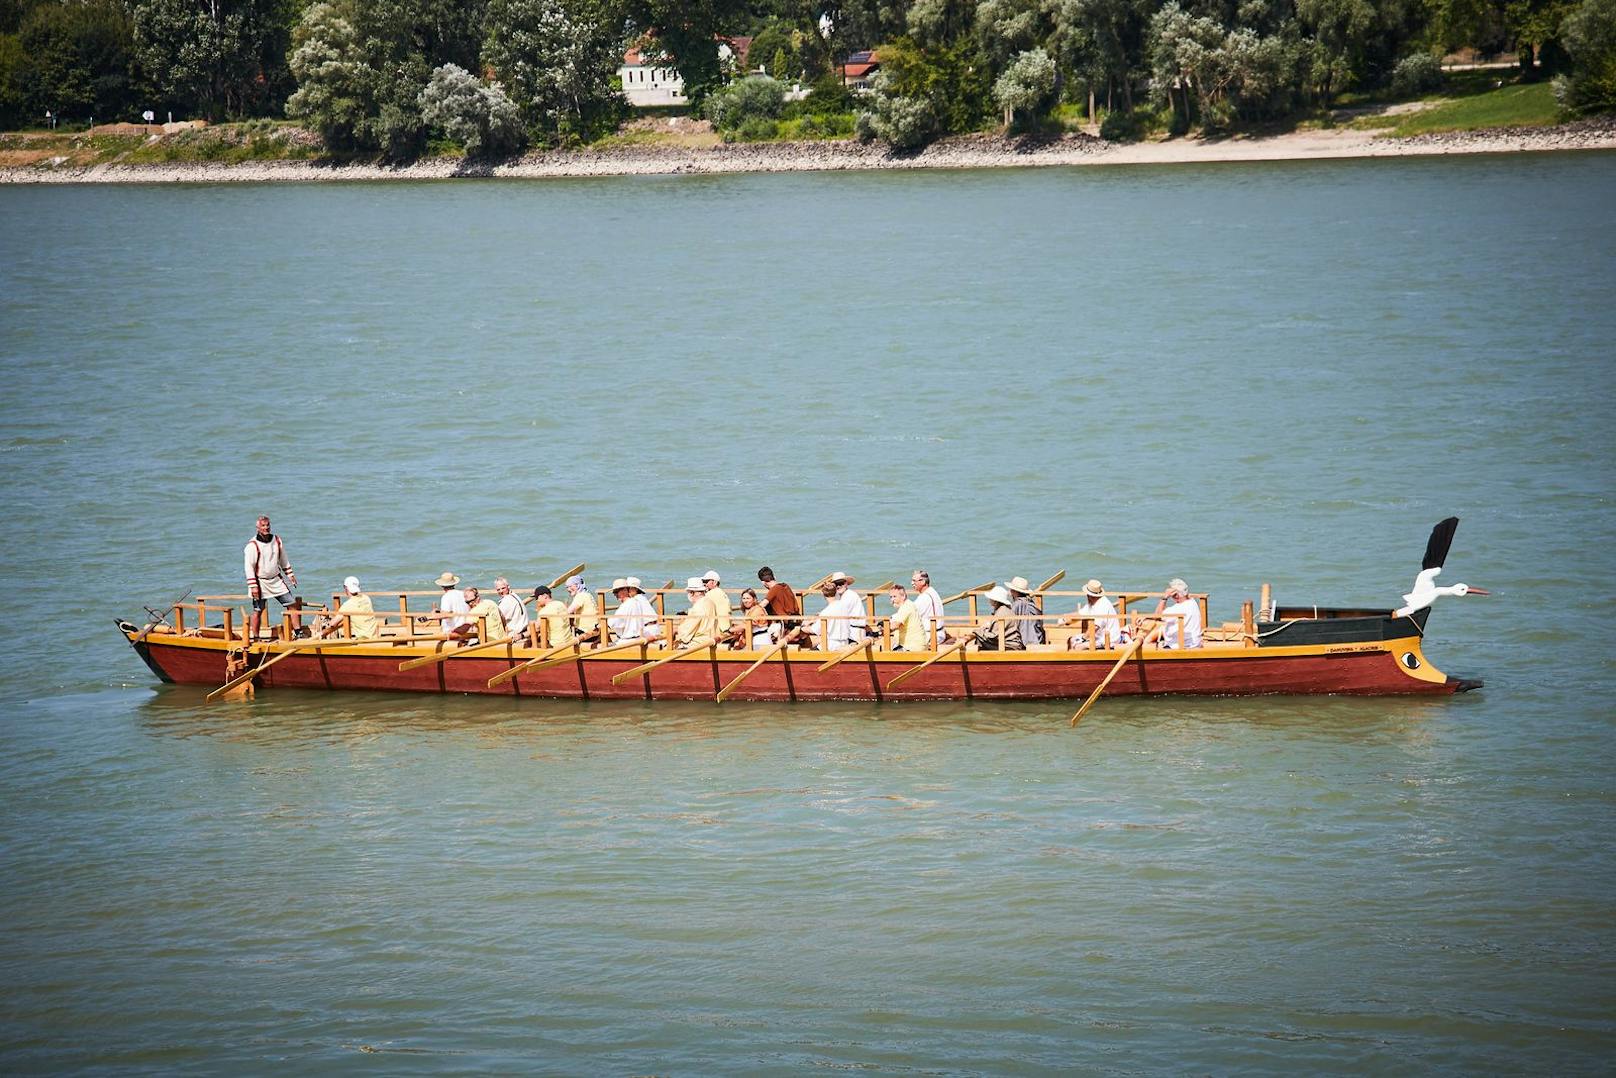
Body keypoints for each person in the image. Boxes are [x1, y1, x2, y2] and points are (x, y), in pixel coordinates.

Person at [244, 515, 303, 640]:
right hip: (260, 582)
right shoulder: (252, 545)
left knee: (291, 604)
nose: (266, 528)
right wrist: (253, 586)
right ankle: (255, 636)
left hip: (276, 579)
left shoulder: (276, 540)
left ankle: (298, 632)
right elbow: (249, 567)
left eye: (268, 525)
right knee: (258, 610)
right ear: (258, 528)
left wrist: (290, 574)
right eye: (263, 526)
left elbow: (283, 559)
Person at [1063, 579, 1123, 650]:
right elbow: (1080, 614)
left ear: (1089, 595)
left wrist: (1083, 638)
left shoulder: (1103, 605)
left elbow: (1094, 628)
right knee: (1072, 640)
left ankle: (1077, 660)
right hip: (1099, 636)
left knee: (1078, 646)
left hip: (1109, 640)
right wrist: (1065, 618)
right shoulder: (1092, 603)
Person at [758, 566, 807, 646]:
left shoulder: (774, 589)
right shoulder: (785, 586)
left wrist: (751, 609)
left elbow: (762, 605)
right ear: (774, 577)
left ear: (763, 582)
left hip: (786, 625)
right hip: (796, 620)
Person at [971, 585, 1025, 651]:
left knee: (979, 639)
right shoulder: (1004, 610)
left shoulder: (1001, 612)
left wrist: (977, 632)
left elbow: (993, 636)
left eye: (991, 599)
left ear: (995, 601)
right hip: (1013, 643)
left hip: (1009, 645)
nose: (989, 600)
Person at [608, 577, 661, 643]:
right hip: (642, 634)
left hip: (632, 638)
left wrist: (603, 623)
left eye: (616, 592)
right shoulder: (638, 600)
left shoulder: (627, 604)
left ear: (625, 590)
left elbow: (613, 623)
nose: (614, 594)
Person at [1156, 578, 1204, 649]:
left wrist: (1165, 597)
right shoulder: (1192, 602)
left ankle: (1146, 644)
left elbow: (1157, 615)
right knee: (1158, 626)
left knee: (1152, 626)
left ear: (1176, 595)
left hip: (1178, 645)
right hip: (1194, 642)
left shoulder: (1177, 609)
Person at [675, 577, 718, 648]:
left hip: (700, 643)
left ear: (691, 593)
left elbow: (686, 632)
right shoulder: (710, 602)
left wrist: (676, 631)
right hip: (712, 637)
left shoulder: (698, 607)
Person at [911, 570, 949, 647]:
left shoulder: (924, 598)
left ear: (923, 582)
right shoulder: (932, 591)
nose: (912, 583)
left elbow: (909, 614)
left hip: (932, 636)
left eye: (914, 581)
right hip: (938, 633)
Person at [1005, 576, 1047, 646]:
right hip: (1038, 639)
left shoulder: (1017, 604)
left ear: (1014, 591)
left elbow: (1009, 623)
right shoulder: (1030, 602)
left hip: (1026, 642)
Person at [429, 572, 470, 636]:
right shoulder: (462, 593)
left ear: (442, 586)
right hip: (466, 628)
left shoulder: (446, 597)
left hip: (452, 630)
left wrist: (433, 614)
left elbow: (445, 614)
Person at [564, 575, 601, 647]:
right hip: (595, 630)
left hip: (587, 633)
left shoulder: (580, 596)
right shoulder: (588, 594)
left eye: (570, 586)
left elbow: (568, 611)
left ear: (577, 586)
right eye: (567, 587)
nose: (568, 589)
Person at [887, 583, 926, 651]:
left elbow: (895, 625)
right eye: (891, 597)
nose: (892, 600)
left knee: (890, 655)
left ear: (903, 596)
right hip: (912, 644)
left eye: (894, 596)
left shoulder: (905, 607)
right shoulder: (909, 604)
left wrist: (884, 628)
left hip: (913, 647)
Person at [494, 577, 528, 642]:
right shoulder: (514, 595)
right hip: (523, 630)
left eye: (503, 588)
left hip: (515, 635)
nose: (501, 591)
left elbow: (498, 620)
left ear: (508, 587)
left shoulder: (506, 600)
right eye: (498, 589)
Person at [702, 571, 732, 637]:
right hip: (727, 627)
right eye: (703, 581)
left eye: (706, 581)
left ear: (715, 582)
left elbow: (700, 607)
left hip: (719, 630)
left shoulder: (711, 594)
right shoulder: (721, 593)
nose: (705, 584)